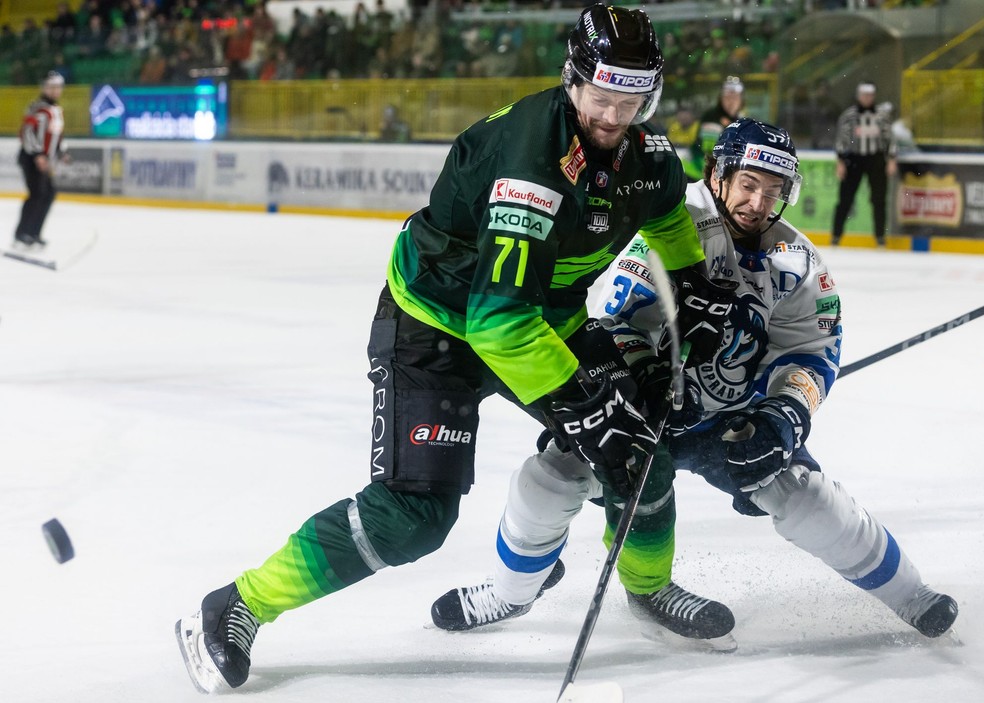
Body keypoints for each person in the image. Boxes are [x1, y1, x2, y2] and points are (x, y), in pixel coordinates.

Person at [176, 5, 735, 693]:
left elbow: (669, 217)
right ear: (573, 78)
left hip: (541, 318)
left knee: (638, 450)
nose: (615, 116)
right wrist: (585, 403)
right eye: (602, 96)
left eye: (633, 100)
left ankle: (647, 589)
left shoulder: (646, 156)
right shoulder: (531, 160)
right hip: (437, 326)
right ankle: (236, 604)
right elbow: (497, 324)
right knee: (412, 517)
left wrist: (696, 288)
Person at [431, 118, 958, 646]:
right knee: (549, 480)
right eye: (748, 184)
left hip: (729, 423)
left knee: (806, 496)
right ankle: (511, 592)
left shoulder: (797, 262)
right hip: (639, 411)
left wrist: (783, 416)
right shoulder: (672, 220)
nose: (759, 203)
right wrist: (649, 378)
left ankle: (912, 596)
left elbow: (812, 353)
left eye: (773, 191)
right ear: (718, 175)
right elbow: (614, 321)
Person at [832, 82, 897, 247]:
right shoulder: (849, 115)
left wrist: (891, 159)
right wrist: (840, 162)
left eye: (870, 95)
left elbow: (890, 138)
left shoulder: (882, 115)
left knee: (879, 199)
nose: (867, 98)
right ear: (859, 96)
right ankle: (836, 235)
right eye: (864, 95)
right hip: (854, 159)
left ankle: (880, 237)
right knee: (845, 198)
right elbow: (841, 139)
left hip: (876, 159)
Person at [13, 71, 68, 249]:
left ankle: (34, 233)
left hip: (44, 159)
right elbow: (28, 132)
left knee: (48, 193)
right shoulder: (37, 108)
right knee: (37, 194)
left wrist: (61, 152)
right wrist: (38, 154)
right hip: (32, 158)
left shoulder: (55, 110)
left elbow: (55, 135)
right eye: (51, 87)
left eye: (58, 87)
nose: (55, 91)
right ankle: (22, 234)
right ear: (44, 88)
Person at [685, 75, 744, 181]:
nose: (732, 101)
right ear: (721, 98)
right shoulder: (712, 118)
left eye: (735, 97)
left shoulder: (739, 119)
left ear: (741, 100)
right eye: (728, 97)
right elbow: (708, 153)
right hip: (700, 175)